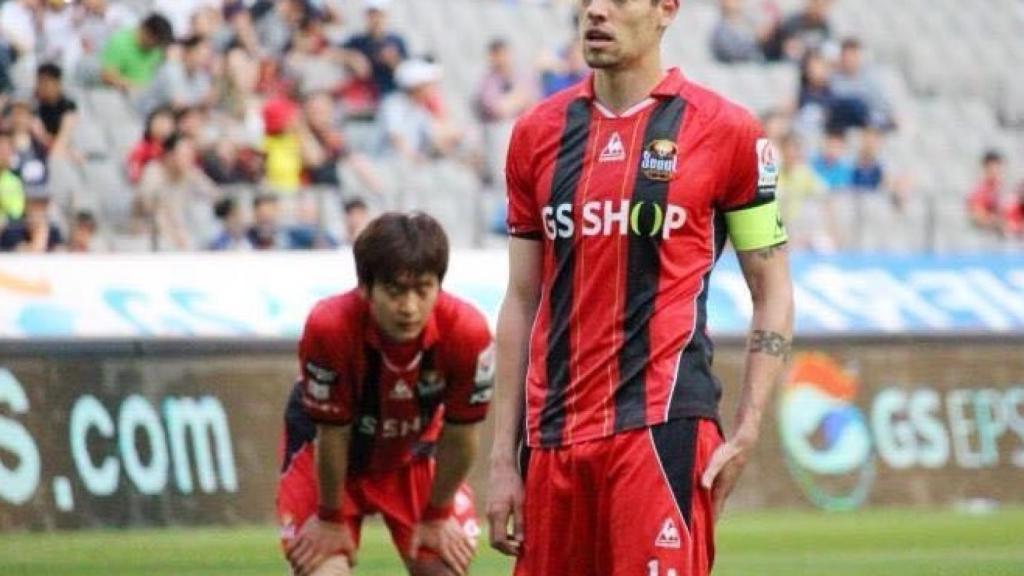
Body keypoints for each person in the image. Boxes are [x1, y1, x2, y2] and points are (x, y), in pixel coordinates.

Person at [487, 2, 794, 576]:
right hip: (552, 440)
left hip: (661, 429)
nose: (596, 11)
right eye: (589, 0)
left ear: (665, 10)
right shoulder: (535, 134)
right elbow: (521, 299)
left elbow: (771, 287)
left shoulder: (726, 131)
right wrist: (504, 457)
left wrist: (749, 427)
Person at [278, 212, 493, 576]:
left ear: (439, 286)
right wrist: (330, 519)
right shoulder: (329, 326)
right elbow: (334, 433)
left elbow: (461, 434)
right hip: (328, 459)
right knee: (323, 572)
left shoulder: (467, 331)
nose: (409, 307)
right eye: (395, 291)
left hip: (413, 456)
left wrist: (438, 515)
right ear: (365, 288)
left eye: (422, 290)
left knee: (442, 567)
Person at [100, 12, 174, 92]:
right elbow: (107, 76)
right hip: (118, 96)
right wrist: (136, 88)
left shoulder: (157, 49)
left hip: (145, 97)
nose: (157, 47)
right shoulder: (120, 42)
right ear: (146, 32)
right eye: (156, 42)